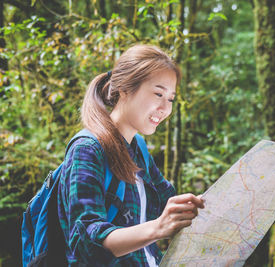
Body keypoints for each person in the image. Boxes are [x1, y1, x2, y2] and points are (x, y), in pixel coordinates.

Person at [57, 43, 205, 266]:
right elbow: (85, 239)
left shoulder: (139, 149)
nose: (166, 109)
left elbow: (169, 202)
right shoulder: (87, 149)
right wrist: (158, 227)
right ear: (125, 89)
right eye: (158, 94)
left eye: (171, 99)